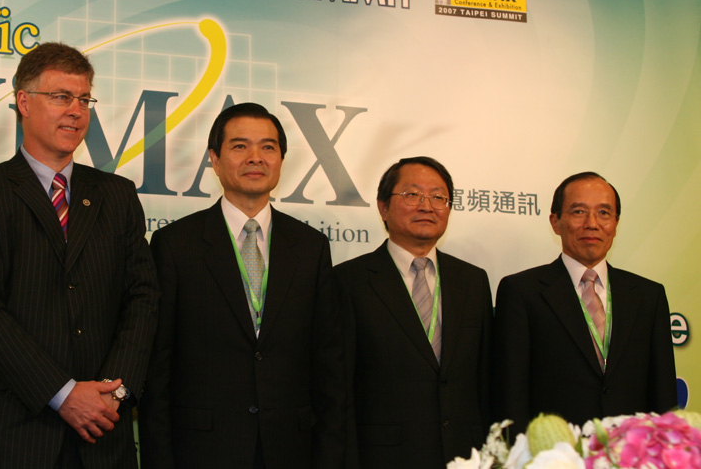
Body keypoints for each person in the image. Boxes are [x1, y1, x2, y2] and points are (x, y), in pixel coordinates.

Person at [0, 42, 160, 468]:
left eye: (84, 99)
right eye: (61, 97)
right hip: (9, 432)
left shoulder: (117, 195)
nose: (76, 111)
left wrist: (113, 392)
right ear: (24, 102)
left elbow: (142, 298)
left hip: (102, 430)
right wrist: (62, 394)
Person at [138, 102, 343, 469]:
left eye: (268, 147)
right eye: (239, 146)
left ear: (281, 159)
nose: (255, 157)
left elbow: (328, 365)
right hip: (203, 450)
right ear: (214, 160)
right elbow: (157, 370)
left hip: (291, 450)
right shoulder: (175, 244)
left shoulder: (311, 247)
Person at [331, 156, 492, 468]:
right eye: (412, 194)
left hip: (464, 455)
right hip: (384, 456)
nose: (426, 206)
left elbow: (485, 380)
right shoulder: (349, 281)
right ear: (383, 207)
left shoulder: (473, 281)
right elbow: (339, 389)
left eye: (438, 197)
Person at [493, 172, 677, 431]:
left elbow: (663, 393)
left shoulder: (648, 295)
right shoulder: (522, 292)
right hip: (556, 449)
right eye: (578, 212)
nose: (592, 223)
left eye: (604, 213)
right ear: (555, 222)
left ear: (616, 223)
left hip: (630, 448)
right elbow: (512, 395)